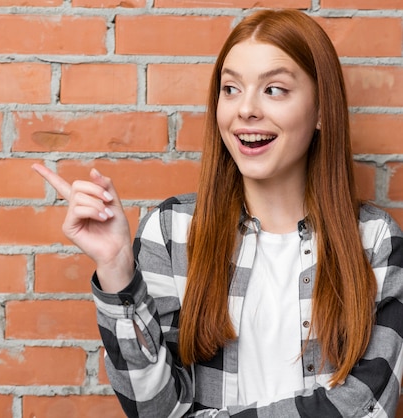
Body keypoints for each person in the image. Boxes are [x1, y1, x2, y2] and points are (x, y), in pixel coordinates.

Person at [32, 8, 403, 417]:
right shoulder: (171, 232)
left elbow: (366, 406)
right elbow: (153, 407)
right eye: (230, 89)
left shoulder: (374, 240)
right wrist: (117, 269)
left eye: (274, 89)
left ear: (320, 111)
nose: (245, 109)